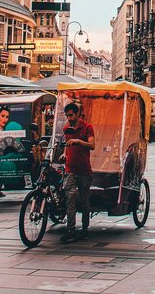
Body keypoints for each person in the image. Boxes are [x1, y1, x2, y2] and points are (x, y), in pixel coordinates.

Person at [60, 103, 95, 243]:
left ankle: (85, 228)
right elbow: (67, 145)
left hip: (84, 170)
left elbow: (92, 145)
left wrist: (78, 141)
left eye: (71, 115)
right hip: (70, 170)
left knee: (84, 200)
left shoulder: (87, 128)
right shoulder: (66, 128)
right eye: (67, 115)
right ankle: (70, 230)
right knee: (70, 198)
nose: (70, 118)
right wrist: (64, 154)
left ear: (77, 114)